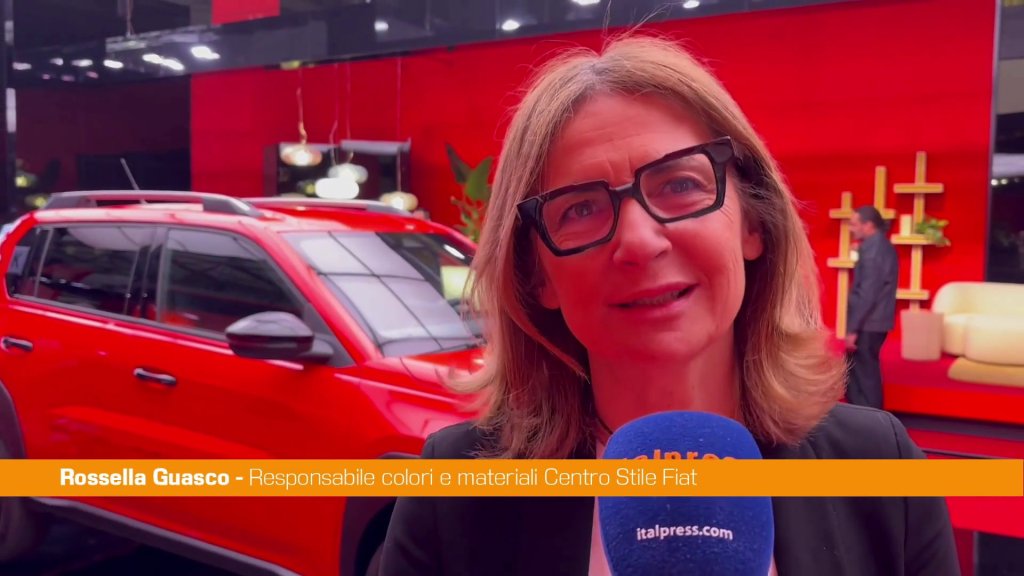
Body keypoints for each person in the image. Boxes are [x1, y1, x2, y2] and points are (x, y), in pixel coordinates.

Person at [379, 35, 958, 576]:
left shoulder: (881, 470)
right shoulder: (453, 496)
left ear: (753, 225)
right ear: (538, 277)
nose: (639, 242)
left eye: (680, 185)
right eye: (580, 208)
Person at [846, 206, 899, 410]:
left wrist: (853, 329)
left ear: (868, 225)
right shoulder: (879, 246)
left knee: (865, 373)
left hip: (869, 322)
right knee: (860, 370)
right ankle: (862, 414)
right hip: (874, 320)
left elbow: (867, 293)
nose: (851, 229)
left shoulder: (873, 250)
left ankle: (870, 416)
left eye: (854, 224)